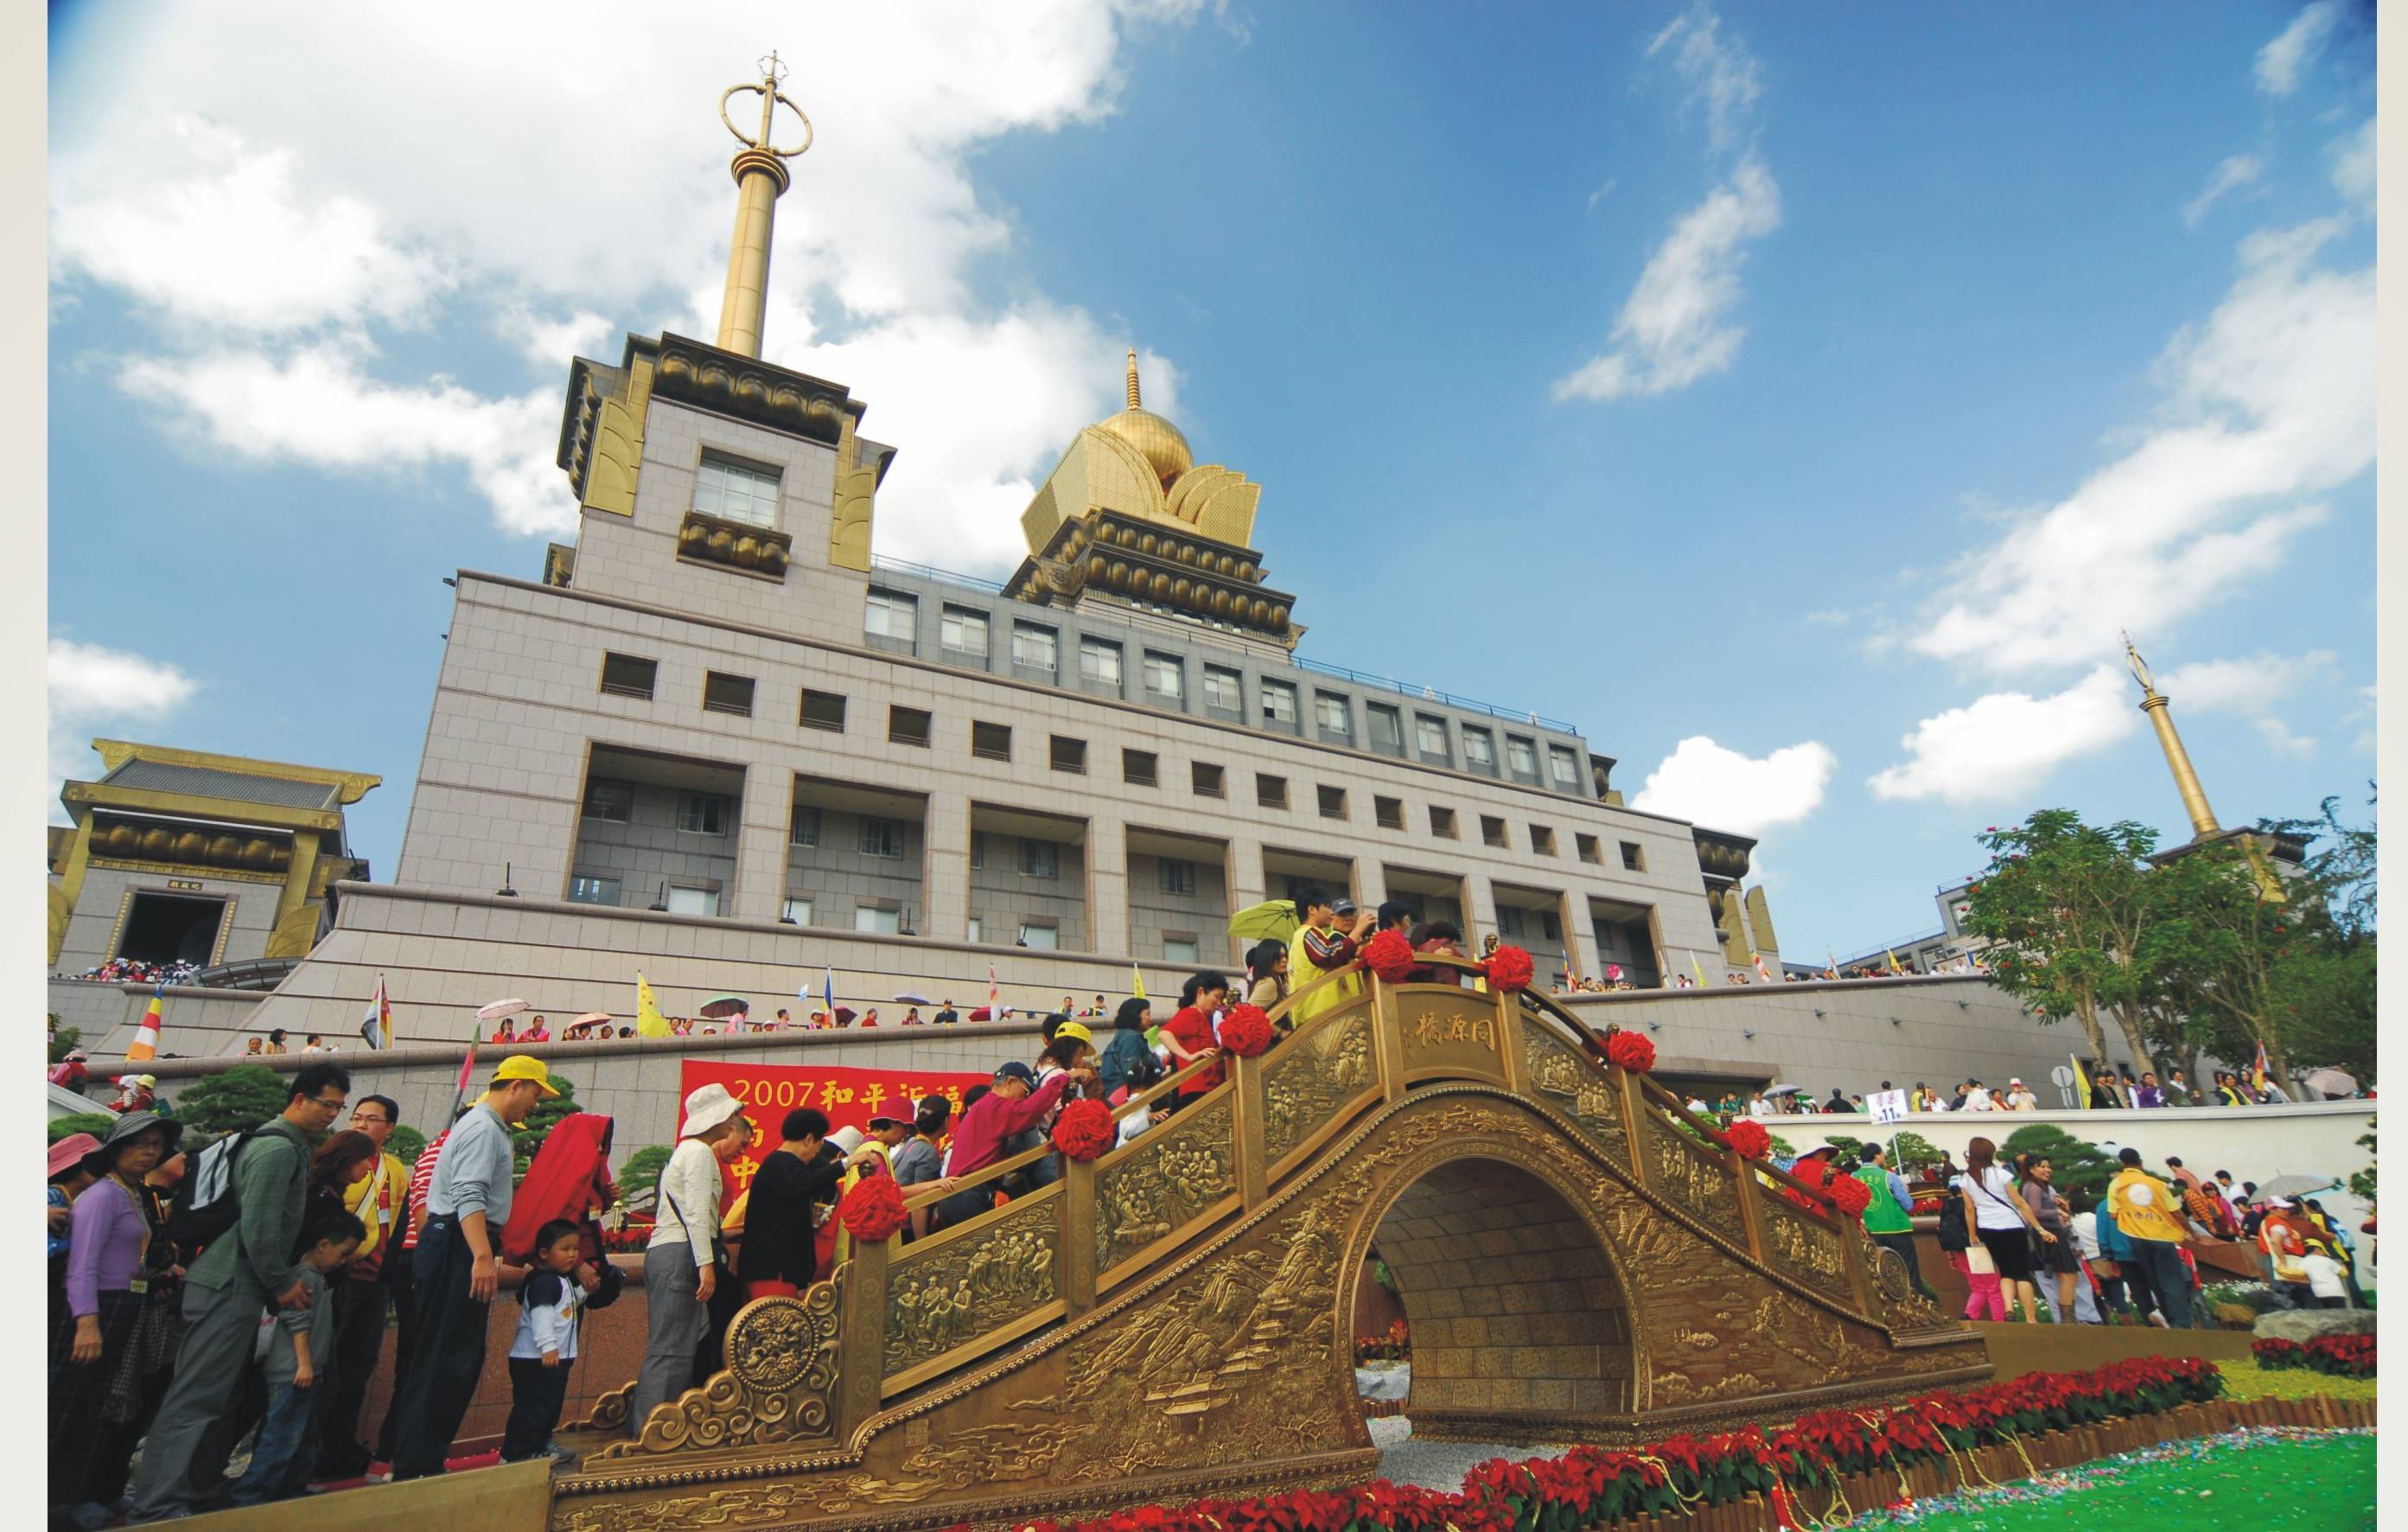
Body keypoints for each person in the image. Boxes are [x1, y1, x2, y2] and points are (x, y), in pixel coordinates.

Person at [130, 1062, 349, 1522]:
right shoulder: (278, 1151)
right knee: (197, 1398)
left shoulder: (281, 1145)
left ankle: (195, 1488)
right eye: (328, 1104)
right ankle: (158, 1503)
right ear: (299, 1100)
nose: (333, 1114)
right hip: (229, 1284)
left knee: (216, 1396)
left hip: (232, 1284)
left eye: (339, 1107)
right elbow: (261, 1228)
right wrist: (282, 1283)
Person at [391, 1056, 558, 1480]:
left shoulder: (484, 1127)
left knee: (447, 1352)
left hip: (453, 1241)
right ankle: (418, 1463)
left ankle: (419, 1458)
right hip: (460, 1245)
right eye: (535, 1095)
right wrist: (481, 1255)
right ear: (515, 1085)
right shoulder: (484, 1129)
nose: (534, 1106)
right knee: (449, 1354)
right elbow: (469, 1193)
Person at [50, 1113, 183, 1528]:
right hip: (91, 1309)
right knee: (62, 1406)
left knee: (97, 1409)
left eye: (156, 1144)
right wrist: (87, 1322)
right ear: (116, 1149)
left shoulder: (133, 1194)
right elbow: (83, 1264)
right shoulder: (103, 1196)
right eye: (139, 1142)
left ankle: (68, 1500)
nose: (149, 1151)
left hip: (127, 1305)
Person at [228, 1209, 366, 1506]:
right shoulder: (305, 1278)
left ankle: (289, 1489)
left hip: (306, 1371)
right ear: (323, 1245)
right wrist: (304, 1363)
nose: (344, 1261)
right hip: (294, 1371)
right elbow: (297, 1320)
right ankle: (252, 1494)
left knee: (301, 1435)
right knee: (282, 1435)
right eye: (343, 1253)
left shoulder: (315, 1278)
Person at [633, 1083, 749, 1433]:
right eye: (731, 1115)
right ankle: (652, 1432)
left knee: (674, 1345)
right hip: (681, 1253)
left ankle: (654, 1427)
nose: (734, 1122)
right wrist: (706, 1266)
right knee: (672, 1350)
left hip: (672, 1250)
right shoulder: (698, 1153)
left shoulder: (687, 1152)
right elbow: (698, 1215)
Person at [935, 1060, 1093, 1229]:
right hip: (970, 1195)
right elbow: (1031, 1108)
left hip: (955, 1196)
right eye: (1026, 1091)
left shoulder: (983, 1106)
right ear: (1010, 1083)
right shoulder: (994, 1106)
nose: (1025, 1098)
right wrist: (1066, 1076)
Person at [739, 1109, 876, 1299]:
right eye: (818, 1146)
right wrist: (847, 1162)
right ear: (809, 1139)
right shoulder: (779, 1163)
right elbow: (804, 1183)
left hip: (785, 1271)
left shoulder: (791, 1164)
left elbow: (815, 1176)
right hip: (772, 1269)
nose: (816, 1153)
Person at [503, 1220, 590, 1463]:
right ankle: (516, 1456)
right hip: (536, 1359)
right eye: (565, 1249)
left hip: (553, 1359)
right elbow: (541, 1314)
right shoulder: (544, 1281)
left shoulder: (559, 1280)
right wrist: (548, 1347)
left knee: (548, 1408)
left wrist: (589, 1290)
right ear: (544, 1253)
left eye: (575, 1248)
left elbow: (566, 1306)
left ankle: (539, 1447)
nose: (572, 1254)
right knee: (533, 1409)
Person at [1959, 1135, 2053, 1324]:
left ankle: (2009, 1310)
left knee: (2005, 1271)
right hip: (2011, 1225)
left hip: (1987, 1228)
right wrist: (2039, 1228)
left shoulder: (1966, 1179)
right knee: (2022, 1273)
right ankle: (2030, 1318)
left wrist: (1972, 1235)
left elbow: (1969, 1209)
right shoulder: (2001, 1175)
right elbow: (2019, 1203)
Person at [2106, 1147, 2193, 1328]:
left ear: (2122, 1164)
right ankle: (2182, 1322)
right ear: (2141, 1162)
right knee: (2171, 1279)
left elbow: (2113, 1215)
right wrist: (2189, 1231)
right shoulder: (2157, 1184)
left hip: (2137, 1238)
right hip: (2161, 1236)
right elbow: (2176, 1213)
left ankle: (2168, 1318)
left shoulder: (2117, 1184)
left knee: (2153, 1279)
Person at [1853, 1143, 1936, 1301]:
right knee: (1908, 1271)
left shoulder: (1854, 1177)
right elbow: (1908, 1204)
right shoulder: (1888, 1176)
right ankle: (1916, 1304)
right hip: (1897, 1228)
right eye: (1882, 1153)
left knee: (1881, 1273)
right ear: (1876, 1155)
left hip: (1871, 1231)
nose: (1884, 1156)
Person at [2017, 1155, 2085, 1322]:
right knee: (2068, 1275)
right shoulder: (2032, 1187)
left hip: (2051, 1231)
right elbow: (2036, 1211)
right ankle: (2067, 1320)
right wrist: (2057, 1212)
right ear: (2032, 1169)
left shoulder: (2038, 1187)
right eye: (2043, 1167)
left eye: (2049, 1167)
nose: (2048, 1170)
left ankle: (2068, 1319)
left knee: (2069, 1276)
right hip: (2048, 1233)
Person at [1287, 890, 1369, 1023]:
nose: (1331, 912)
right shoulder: (1308, 933)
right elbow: (1331, 956)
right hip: (1321, 1014)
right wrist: (1358, 930)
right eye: (1327, 906)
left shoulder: (1301, 937)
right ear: (1312, 910)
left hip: (1315, 1014)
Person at [891, 1098, 958, 1242]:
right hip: (906, 1230)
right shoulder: (927, 1152)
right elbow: (920, 1203)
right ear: (945, 1121)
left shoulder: (911, 1144)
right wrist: (921, 1243)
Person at [1160, 973, 1228, 1106]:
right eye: (1217, 996)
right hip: (1197, 1090)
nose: (1219, 1003)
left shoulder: (1201, 1017)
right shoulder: (1190, 1014)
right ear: (1201, 993)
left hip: (1203, 1089)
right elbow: (1164, 1034)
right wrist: (1188, 1056)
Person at [1097, 997, 1163, 1104]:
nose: (1150, 1019)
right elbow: (1133, 1072)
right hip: (1125, 1095)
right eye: (1147, 1014)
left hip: (1117, 1094)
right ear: (1135, 1015)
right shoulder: (1130, 1037)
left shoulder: (1125, 1035)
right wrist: (1160, 1062)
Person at [1407, 920, 1471, 986]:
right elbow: (1468, 967)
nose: (1455, 948)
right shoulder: (1446, 947)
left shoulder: (1417, 951)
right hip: (1448, 993)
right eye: (1455, 945)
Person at [1244, 939, 1291, 1012]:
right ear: (1267, 958)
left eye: (1285, 956)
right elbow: (1248, 1013)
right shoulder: (1269, 983)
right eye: (1279, 956)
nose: (1285, 960)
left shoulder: (1268, 981)